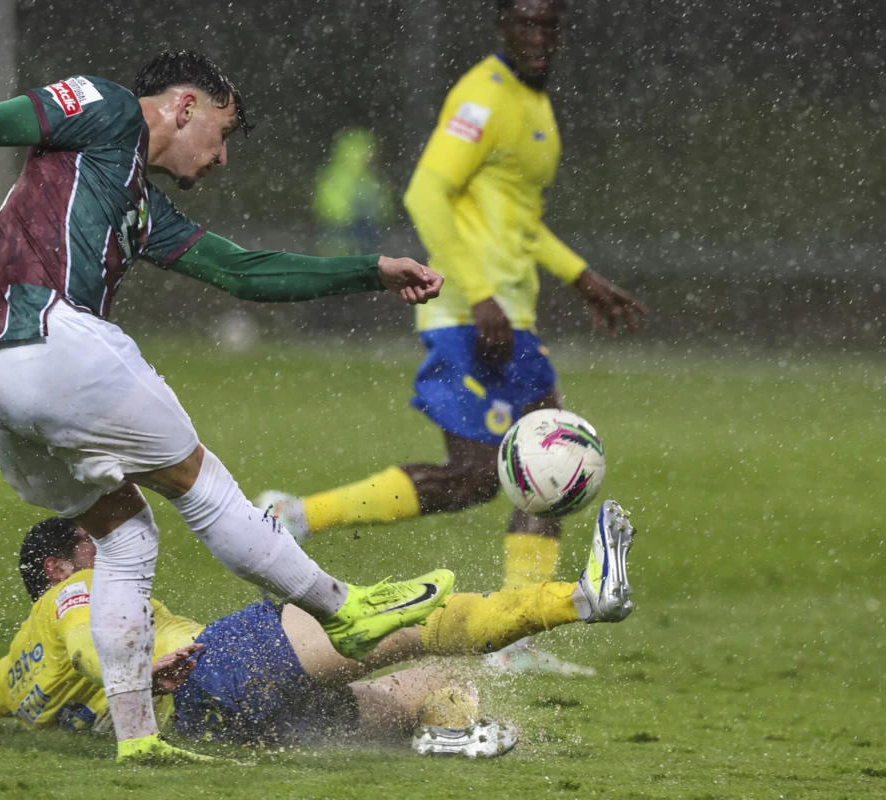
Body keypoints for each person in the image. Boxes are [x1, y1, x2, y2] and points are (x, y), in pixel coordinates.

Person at [0, 51, 455, 764]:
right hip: (47, 337)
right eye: (223, 133)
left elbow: (244, 272)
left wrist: (371, 272)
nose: (221, 158)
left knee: (124, 537)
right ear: (185, 106)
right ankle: (345, 611)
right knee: (203, 488)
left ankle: (137, 736)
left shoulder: (139, 206)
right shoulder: (107, 107)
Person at [257, 0, 648, 676]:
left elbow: (520, 222)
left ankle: (517, 638)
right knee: (474, 477)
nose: (538, 36)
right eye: (525, 22)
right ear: (501, 27)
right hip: (470, 315)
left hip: (511, 318)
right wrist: (480, 293)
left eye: (548, 23)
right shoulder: (481, 96)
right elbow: (426, 193)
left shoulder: (536, 106)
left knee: (549, 468)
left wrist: (580, 277)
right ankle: (295, 517)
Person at [0, 501, 636, 759]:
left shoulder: (8, 675)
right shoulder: (74, 595)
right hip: (216, 667)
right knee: (407, 623)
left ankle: (434, 741)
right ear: (59, 565)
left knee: (425, 693)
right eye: (91, 540)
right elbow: (92, 638)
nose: (109, 545)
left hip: (219, 724)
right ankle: (581, 599)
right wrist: (144, 667)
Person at [312, 127, 394, 256]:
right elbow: (327, 204)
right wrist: (351, 215)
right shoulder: (338, 176)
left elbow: (384, 205)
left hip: (365, 231)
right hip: (343, 230)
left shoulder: (370, 178)